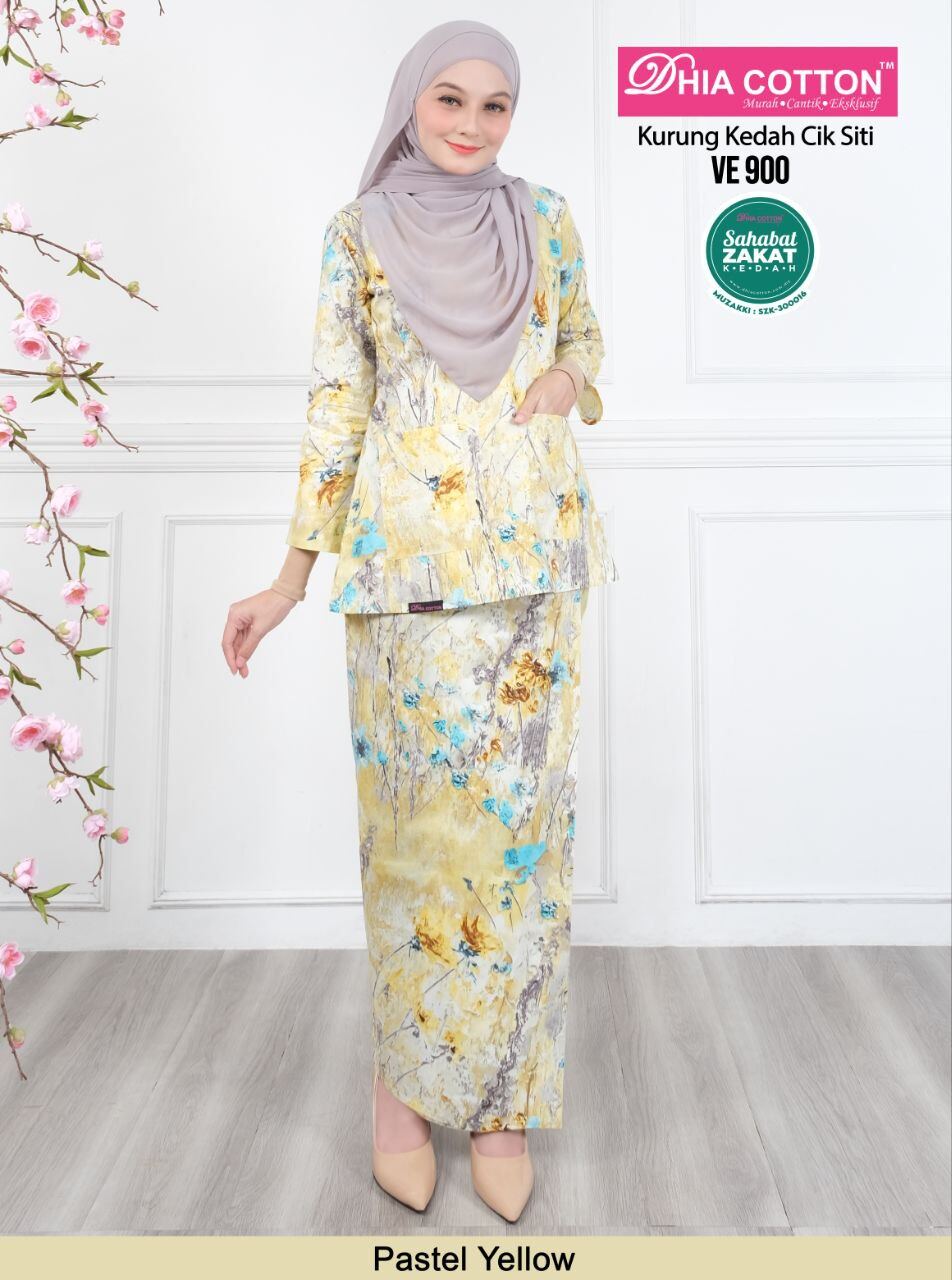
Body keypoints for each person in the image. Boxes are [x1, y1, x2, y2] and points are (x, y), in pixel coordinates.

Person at [221, 19, 618, 1224]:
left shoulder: (544, 220)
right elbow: (336, 408)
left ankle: (497, 1104)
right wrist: (289, 577)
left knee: (519, 853)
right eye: (449, 99)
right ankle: (400, 1090)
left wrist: (569, 379)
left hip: (537, 574)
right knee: (411, 847)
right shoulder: (358, 235)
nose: (471, 124)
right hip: (406, 584)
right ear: (409, 103)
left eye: (495, 106)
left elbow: (584, 339)